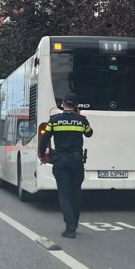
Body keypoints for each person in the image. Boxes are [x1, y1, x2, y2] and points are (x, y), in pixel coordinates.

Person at [39, 93, 93, 238]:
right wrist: (79, 116)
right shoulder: (82, 120)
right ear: (76, 105)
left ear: (62, 104)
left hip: (60, 160)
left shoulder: (54, 121)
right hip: (76, 160)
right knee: (75, 192)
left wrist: (42, 155)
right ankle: (74, 223)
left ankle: (70, 228)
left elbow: (45, 139)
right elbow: (89, 134)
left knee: (64, 194)